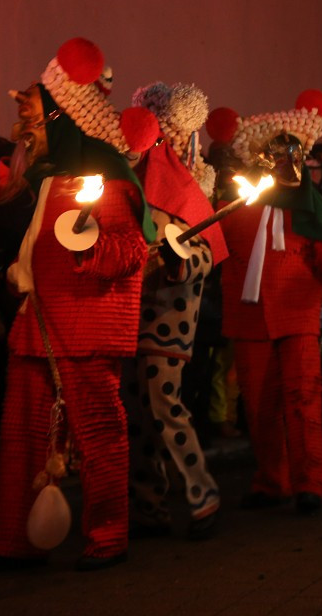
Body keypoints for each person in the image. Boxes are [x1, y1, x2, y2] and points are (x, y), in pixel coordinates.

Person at [0, 37, 158, 571]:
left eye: (36, 118)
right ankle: (13, 542)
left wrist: (89, 249)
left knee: (99, 435)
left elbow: (132, 251)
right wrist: (21, 273)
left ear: (64, 119)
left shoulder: (105, 176)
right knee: (22, 436)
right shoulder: (48, 178)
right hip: (37, 324)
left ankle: (108, 537)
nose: (28, 128)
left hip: (86, 328)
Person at [208, 92, 322, 515]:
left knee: (303, 399)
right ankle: (271, 480)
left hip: (297, 314)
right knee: (258, 407)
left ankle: (309, 483)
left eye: (292, 156)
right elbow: (207, 250)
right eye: (276, 156)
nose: (285, 163)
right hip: (248, 319)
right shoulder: (232, 207)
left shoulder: (310, 210)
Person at [124, 81, 227, 540]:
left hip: (169, 317)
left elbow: (201, 258)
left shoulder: (185, 193)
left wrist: (175, 260)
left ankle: (202, 495)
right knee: (138, 413)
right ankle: (149, 504)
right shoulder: (132, 188)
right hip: (130, 314)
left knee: (164, 407)